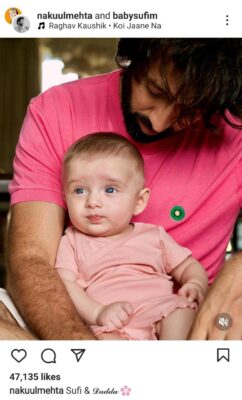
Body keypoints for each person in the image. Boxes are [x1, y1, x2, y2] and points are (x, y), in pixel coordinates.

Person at [1, 39, 242, 340]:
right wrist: (86, 352)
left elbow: (188, 271)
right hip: (80, 325)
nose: (159, 121)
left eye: (189, 109)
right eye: (155, 91)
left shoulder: (235, 134)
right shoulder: (54, 110)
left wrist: (237, 270)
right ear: (134, 57)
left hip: (184, 324)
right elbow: (32, 260)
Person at [55, 133, 208, 340]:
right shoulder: (71, 241)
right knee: (99, 342)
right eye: (80, 190)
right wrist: (97, 313)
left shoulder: (154, 236)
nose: (93, 201)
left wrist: (195, 283)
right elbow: (66, 286)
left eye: (109, 189)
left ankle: (175, 364)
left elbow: (188, 266)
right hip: (110, 321)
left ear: (139, 201)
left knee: (182, 312)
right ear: (66, 198)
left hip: (159, 308)